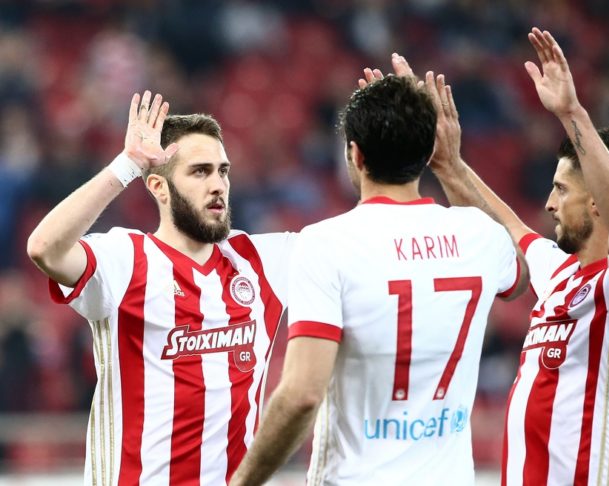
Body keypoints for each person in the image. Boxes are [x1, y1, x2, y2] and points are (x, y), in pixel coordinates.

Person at [229, 64, 529, 485]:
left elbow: (301, 395)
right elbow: (520, 274)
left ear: (355, 154)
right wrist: (451, 166)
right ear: (429, 151)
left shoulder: (327, 243)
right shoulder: (481, 235)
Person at [426, 28, 609, 485]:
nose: (549, 204)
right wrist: (449, 165)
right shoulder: (561, 272)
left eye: (561, 189)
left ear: (597, 199)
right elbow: (502, 226)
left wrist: (571, 113)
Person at [26, 91, 294, 484]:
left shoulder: (262, 260)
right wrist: (127, 165)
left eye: (222, 171)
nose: (218, 185)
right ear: (159, 187)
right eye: (200, 172)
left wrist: (397, 145)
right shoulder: (125, 259)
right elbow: (44, 248)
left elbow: (364, 239)